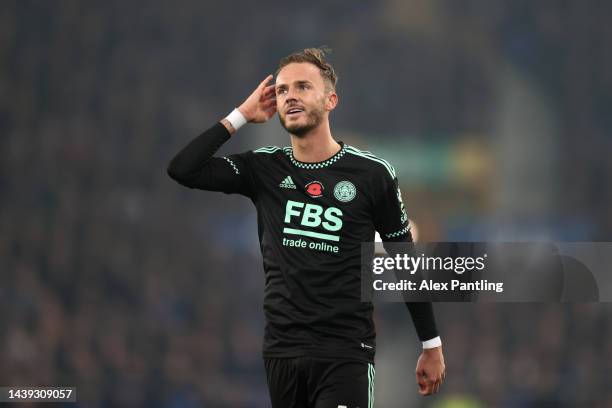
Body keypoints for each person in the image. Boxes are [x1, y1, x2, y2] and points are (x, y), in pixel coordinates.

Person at [167, 47, 445, 407]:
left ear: (330, 100)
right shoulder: (263, 169)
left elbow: (404, 261)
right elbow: (182, 169)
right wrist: (240, 115)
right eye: (282, 90)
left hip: (345, 353)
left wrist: (431, 344)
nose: (290, 96)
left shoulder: (372, 175)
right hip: (282, 353)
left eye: (302, 87)